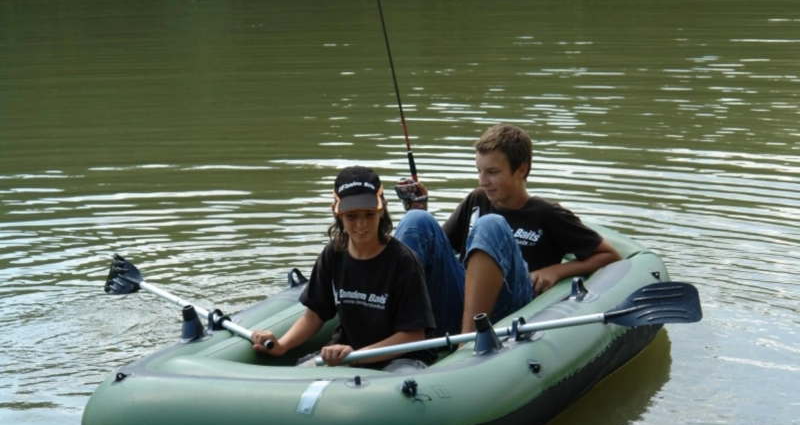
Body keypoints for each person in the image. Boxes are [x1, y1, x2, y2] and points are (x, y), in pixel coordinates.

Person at [394, 124, 622, 337]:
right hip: (461, 296)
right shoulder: (476, 199)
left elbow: (610, 255)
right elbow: (438, 251)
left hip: (510, 302)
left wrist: (556, 271)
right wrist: (420, 209)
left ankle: (467, 344)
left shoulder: (547, 214)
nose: (483, 181)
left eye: (492, 172)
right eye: (479, 171)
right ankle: (391, 330)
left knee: (490, 225)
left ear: (521, 170)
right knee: (417, 219)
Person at [252, 166, 436, 372]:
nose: (361, 225)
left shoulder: (404, 261)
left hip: (402, 358)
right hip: (347, 355)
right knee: (298, 375)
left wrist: (356, 357)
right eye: (351, 216)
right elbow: (314, 315)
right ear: (336, 213)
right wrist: (281, 345)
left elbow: (413, 334)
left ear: (382, 208)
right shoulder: (333, 254)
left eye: (369, 214)